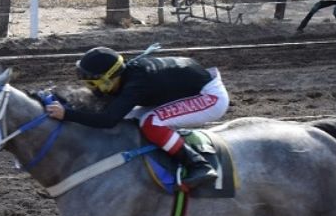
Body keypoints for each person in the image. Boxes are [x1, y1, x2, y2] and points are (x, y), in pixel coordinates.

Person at [45, 45, 230, 188]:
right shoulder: (126, 75)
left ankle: (199, 165)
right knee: (130, 118)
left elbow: (108, 120)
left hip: (209, 96)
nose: (91, 89)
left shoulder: (136, 84)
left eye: (93, 83)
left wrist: (67, 114)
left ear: (109, 78)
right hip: (190, 86)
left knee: (150, 122)